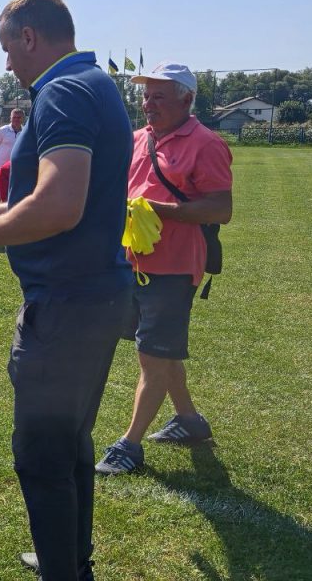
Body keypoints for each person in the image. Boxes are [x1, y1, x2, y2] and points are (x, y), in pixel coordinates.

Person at [0, 0, 133, 581]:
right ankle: (69, 562)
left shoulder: (63, 91)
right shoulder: (92, 83)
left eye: (7, 48)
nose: (6, 63)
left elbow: (59, 206)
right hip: (93, 296)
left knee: (42, 455)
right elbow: (44, 200)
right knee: (70, 442)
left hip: (66, 304)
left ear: (29, 37)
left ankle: (61, 570)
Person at [95, 63, 232, 475]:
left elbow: (221, 209)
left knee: (152, 355)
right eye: (145, 96)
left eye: (158, 96)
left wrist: (160, 210)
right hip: (134, 260)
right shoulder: (139, 138)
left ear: (187, 99)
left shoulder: (206, 144)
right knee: (157, 348)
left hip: (173, 266)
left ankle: (129, 445)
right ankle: (189, 421)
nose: (147, 104)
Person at [0, 108, 25, 203]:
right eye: (14, 117)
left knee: (16, 194)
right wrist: (0, 160)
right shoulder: (2, 130)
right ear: (10, 118)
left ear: (23, 118)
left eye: (19, 117)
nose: (16, 119)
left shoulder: (26, 131)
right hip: (0, 168)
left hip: (18, 168)